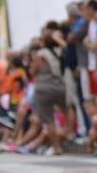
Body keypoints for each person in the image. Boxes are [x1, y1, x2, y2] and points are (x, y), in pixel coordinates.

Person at [29, 22, 70, 155]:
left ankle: (57, 147)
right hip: (60, 85)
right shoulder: (60, 51)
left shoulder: (40, 54)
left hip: (44, 87)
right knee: (67, 109)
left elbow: (33, 71)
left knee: (49, 119)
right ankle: (69, 131)